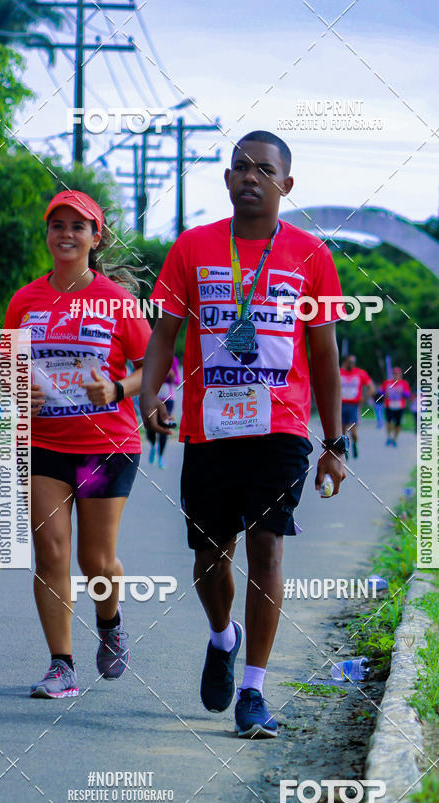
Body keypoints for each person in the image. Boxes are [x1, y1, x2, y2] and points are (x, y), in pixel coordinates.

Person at [141, 130, 346, 738]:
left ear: (287, 184)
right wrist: (151, 394)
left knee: (267, 548)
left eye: (263, 168)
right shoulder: (194, 247)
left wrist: (333, 444)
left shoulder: (311, 255)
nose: (249, 177)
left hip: (281, 427)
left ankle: (254, 688)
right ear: (226, 180)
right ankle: (221, 636)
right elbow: (164, 334)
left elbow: (325, 350)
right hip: (210, 428)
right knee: (209, 557)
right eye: (238, 168)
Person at [4, 191, 151, 698]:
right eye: (57, 225)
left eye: (77, 226)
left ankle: (109, 622)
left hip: (105, 445)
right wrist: (23, 394)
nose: (65, 234)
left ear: (95, 237)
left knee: (96, 560)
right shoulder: (24, 300)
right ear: (48, 235)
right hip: (44, 444)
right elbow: (8, 373)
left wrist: (113, 390)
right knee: (50, 551)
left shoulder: (117, 300)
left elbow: (153, 369)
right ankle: (61, 665)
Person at [146, 356, 180, 468]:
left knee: (164, 427)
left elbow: (177, 381)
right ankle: (152, 445)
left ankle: (161, 457)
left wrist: (172, 376)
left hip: (168, 399)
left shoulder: (173, 360)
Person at [339, 354, 373, 458]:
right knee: (342, 431)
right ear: (345, 362)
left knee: (353, 431)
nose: (351, 365)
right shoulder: (339, 373)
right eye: (349, 362)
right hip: (341, 405)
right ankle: (345, 449)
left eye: (353, 362)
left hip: (354, 406)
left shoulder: (360, 373)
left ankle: (355, 444)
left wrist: (364, 398)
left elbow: (371, 388)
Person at [381, 367, 412, 446]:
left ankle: (395, 438)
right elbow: (381, 393)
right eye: (394, 374)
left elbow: (408, 395)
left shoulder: (404, 383)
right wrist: (385, 394)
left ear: (400, 375)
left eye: (397, 374)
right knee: (389, 422)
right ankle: (389, 437)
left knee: (398, 424)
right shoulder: (387, 383)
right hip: (389, 405)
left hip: (399, 406)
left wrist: (402, 392)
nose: (396, 376)